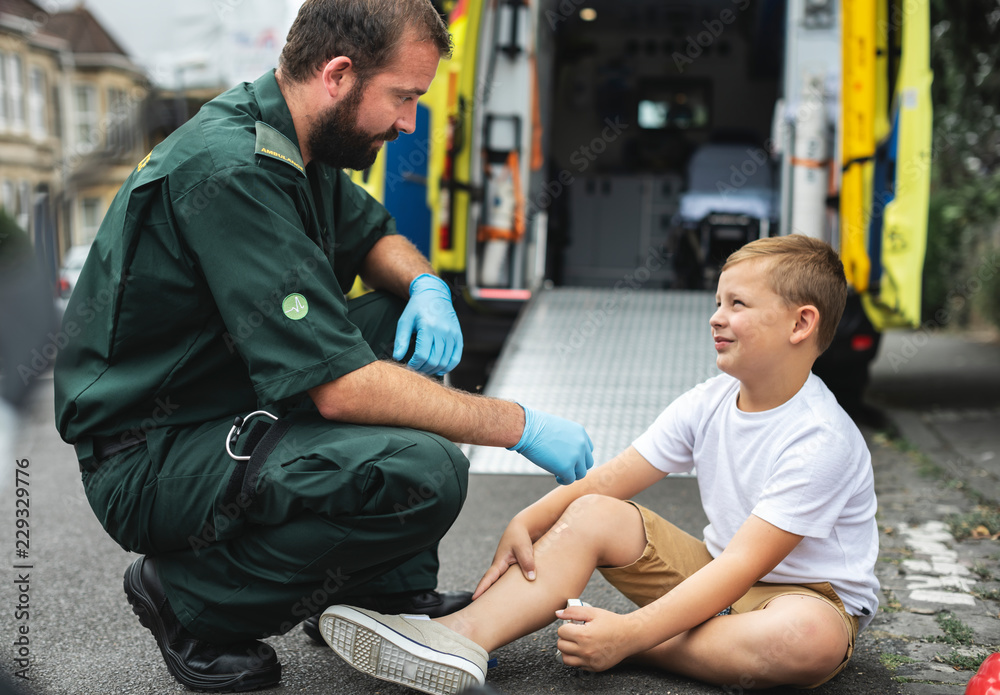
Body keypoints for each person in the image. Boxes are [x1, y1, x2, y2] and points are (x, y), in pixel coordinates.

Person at [52, 1, 594, 692]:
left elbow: (372, 237)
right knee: (424, 471)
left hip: (218, 394)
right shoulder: (232, 169)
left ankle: (382, 589)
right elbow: (343, 388)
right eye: (404, 98)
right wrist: (519, 424)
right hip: (149, 452)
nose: (408, 123)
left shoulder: (295, 141)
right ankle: (190, 599)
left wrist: (428, 284)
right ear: (338, 74)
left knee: (397, 311)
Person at [323, 234, 881, 694]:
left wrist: (629, 633)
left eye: (737, 304)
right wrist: (530, 519)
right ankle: (459, 637)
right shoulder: (708, 400)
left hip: (804, 597)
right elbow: (610, 480)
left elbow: (740, 567)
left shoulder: (821, 438)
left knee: (809, 639)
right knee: (593, 510)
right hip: (714, 579)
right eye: (717, 301)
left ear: (800, 324)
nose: (716, 317)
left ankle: (638, 644)